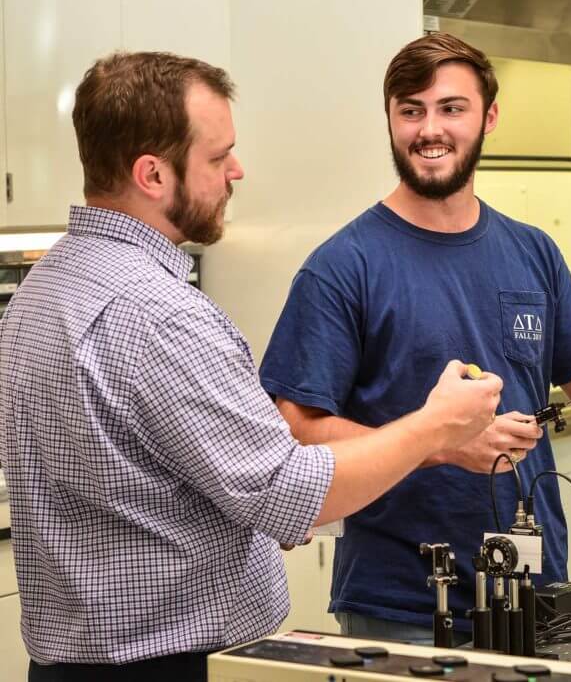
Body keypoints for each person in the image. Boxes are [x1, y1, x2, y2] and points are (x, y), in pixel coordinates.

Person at [0, 51, 502, 681]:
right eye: (217, 156)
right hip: (173, 665)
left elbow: (150, 475)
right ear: (153, 174)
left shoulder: (42, 286)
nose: (236, 170)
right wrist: (438, 426)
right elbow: (289, 492)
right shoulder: (160, 314)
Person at [259, 33, 571, 643]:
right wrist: (448, 445)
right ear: (391, 120)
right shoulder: (345, 266)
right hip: (401, 605)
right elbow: (297, 432)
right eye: (411, 109)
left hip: (537, 593)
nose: (430, 129)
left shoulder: (531, 251)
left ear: (489, 118)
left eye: (451, 108)